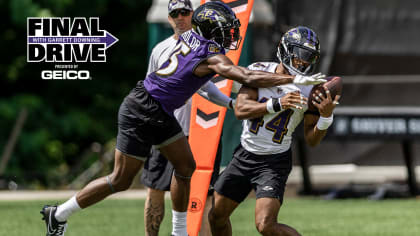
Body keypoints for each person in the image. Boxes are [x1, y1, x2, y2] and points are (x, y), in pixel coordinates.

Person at [40, 2, 326, 235]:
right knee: (120, 179)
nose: (231, 34)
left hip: (159, 110)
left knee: (186, 165)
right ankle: (59, 214)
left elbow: (203, 86)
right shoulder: (209, 54)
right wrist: (295, 77)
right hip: (141, 110)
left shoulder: (190, 39)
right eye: (226, 30)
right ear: (213, 30)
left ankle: (179, 233)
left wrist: (230, 102)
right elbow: (246, 76)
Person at [208, 26, 340, 236]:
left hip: (274, 162)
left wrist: (326, 117)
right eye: (300, 56)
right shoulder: (259, 70)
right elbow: (242, 110)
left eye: (309, 58)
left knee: (265, 225)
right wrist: (278, 104)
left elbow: (312, 140)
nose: (304, 63)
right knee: (216, 216)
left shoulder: (310, 88)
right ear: (286, 50)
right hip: (245, 155)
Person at [141, 1, 231, 235]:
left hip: (204, 128)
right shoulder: (159, 49)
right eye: (175, 13)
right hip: (165, 128)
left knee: (206, 192)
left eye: (185, 12)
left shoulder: (211, 47)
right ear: (169, 18)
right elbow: (149, 90)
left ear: (194, 14)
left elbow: (219, 84)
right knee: (155, 188)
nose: (180, 17)